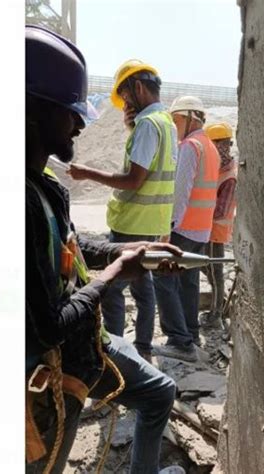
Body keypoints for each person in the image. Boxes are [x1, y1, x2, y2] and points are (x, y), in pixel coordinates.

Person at [26, 25, 184, 474]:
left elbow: (72, 244)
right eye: (69, 112)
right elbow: (47, 328)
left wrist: (131, 250)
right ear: (31, 112)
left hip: (81, 345)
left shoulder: (44, 186)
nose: (80, 123)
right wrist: (115, 273)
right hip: (42, 373)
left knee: (159, 391)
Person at [68, 59, 178, 362]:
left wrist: (87, 173)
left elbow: (133, 180)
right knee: (144, 287)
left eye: (126, 96)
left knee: (114, 290)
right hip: (152, 221)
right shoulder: (167, 122)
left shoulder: (148, 125)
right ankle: (143, 347)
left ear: (138, 87)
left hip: (132, 222)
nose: (126, 104)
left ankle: (114, 351)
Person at [153, 96, 220, 362]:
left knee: (163, 278)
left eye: (176, 119)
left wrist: (169, 225)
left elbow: (181, 191)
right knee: (188, 283)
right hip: (201, 229)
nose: (174, 125)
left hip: (182, 228)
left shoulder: (191, 146)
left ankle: (179, 342)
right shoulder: (210, 146)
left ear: (191, 117)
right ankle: (191, 335)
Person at [200, 122, 238, 329]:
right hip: (206, 228)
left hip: (216, 231)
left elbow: (221, 211)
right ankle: (219, 304)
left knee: (215, 273)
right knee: (205, 267)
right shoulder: (218, 169)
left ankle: (216, 316)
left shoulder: (229, 176)